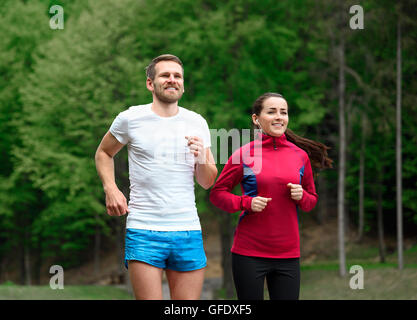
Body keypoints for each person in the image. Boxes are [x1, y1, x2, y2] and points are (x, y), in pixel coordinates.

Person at [95, 54, 218, 300]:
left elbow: (207, 181)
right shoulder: (130, 118)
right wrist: (111, 188)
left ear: (183, 84)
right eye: (165, 75)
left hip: (187, 229)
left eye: (177, 76)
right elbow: (103, 153)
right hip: (144, 229)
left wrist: (201, 157)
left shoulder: (196, 122)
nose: (172, 80)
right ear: (151, 83)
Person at [209, 92, 332, 300]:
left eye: (283, 112)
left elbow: (311, 201)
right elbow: (217, 194)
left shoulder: (300, 156)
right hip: (249, 253)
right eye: (271, 111)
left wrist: (301, 195)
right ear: (256, 119)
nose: (279, 117)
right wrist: (245, 202)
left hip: (288, 254)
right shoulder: (244, 154)